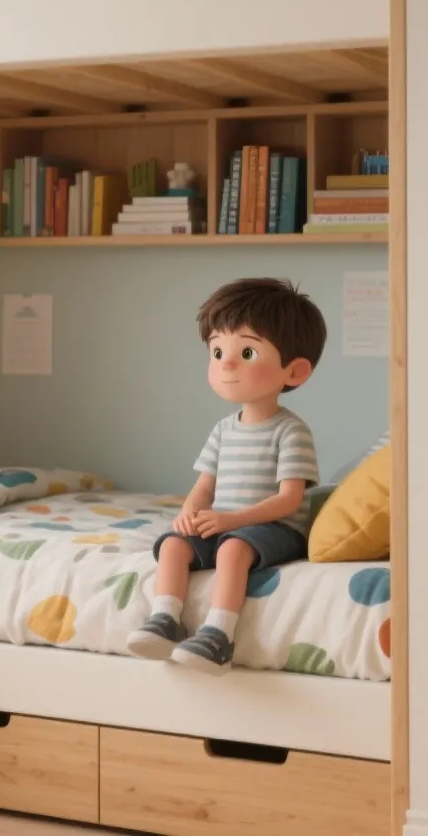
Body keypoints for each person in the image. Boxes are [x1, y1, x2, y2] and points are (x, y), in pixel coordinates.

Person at [125, 277, 326, 674]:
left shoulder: (291, 431)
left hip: (275, 527)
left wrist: (231, 520)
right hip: (227, 522)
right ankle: (166, 619)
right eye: (217, 351)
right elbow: (204, 487)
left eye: (246, 351)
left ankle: (219, 635)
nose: (226, 363)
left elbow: (289, 500)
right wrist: (188, 515)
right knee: (173, 545)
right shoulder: (223, 429)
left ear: (295, 371)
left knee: (232, 549)